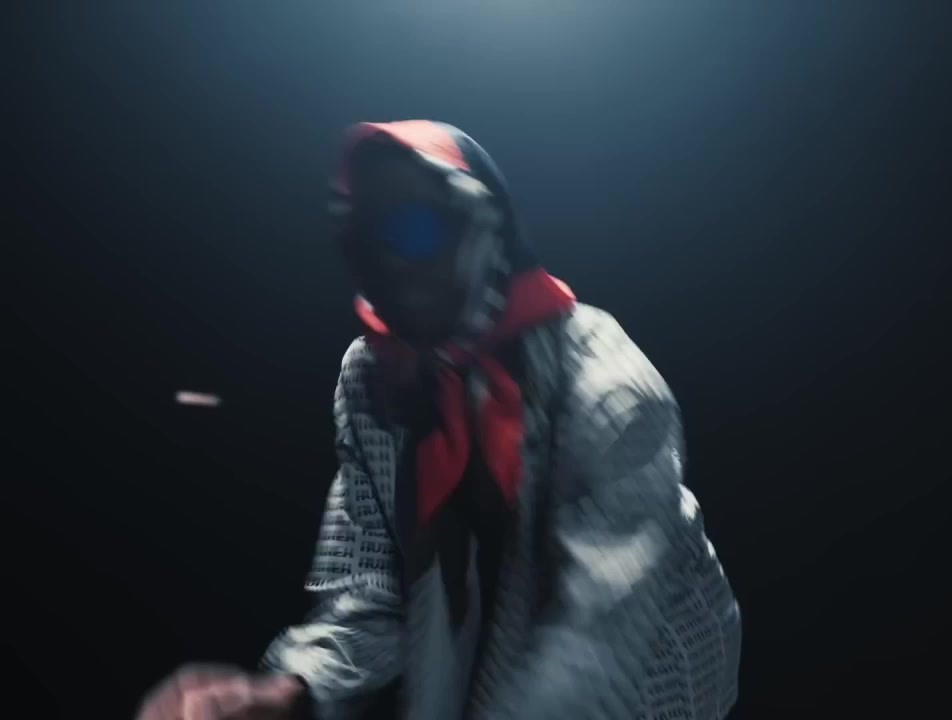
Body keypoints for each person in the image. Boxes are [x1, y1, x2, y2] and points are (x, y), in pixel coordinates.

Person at [136, 120, 742, 720]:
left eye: (415, 230)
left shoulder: (612, 392)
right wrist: (286, 693)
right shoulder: (371, 379)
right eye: (365, 242)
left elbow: (597, 646)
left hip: (649, 678)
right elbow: (369, 592)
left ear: (485, 229)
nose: (389, 265)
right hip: (487, 652)